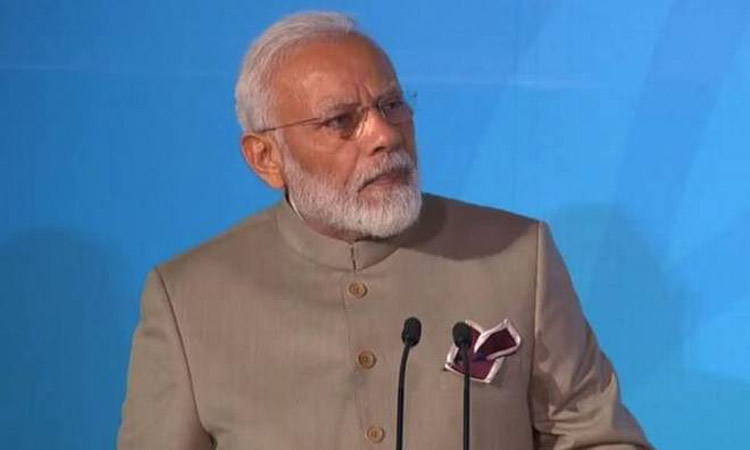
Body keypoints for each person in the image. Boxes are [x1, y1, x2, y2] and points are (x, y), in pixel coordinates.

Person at [118, 11, 652, 450]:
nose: (384, 134)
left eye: (392, 105)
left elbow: (599, 438)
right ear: (266, 158)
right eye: (340, 120)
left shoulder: (515, 256)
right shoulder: (187, 300)